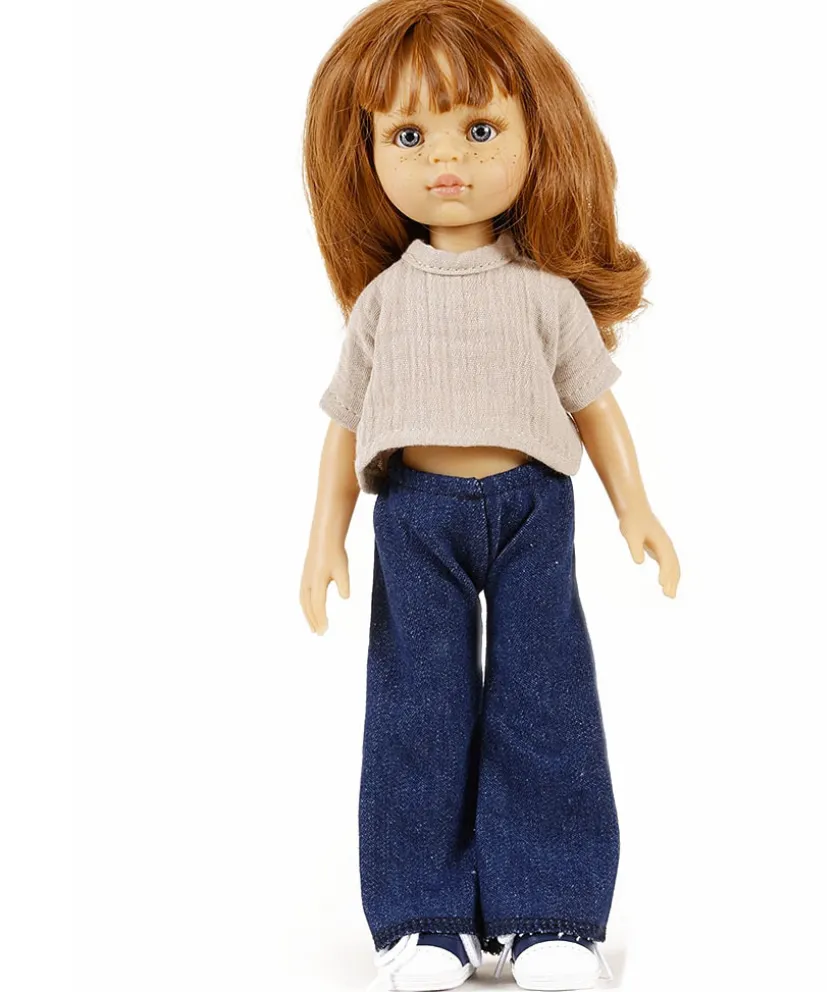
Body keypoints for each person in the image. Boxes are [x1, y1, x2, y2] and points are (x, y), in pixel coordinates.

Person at [298, 1, 681, 988]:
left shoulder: (546, 295)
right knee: (417, 706)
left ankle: (552, 913)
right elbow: (345, 423)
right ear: (366, 152)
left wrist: (636, 508)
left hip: (532, 507)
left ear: (535, 134)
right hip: (415, 514)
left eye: (478, 128)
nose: (444, 158)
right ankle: (425, 920)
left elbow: (595, 405)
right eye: (408, 135)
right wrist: (325, 535)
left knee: (545, 697)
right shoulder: (383, 301)